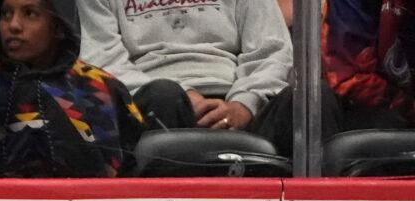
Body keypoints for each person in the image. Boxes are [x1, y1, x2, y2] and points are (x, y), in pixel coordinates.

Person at [77, 0, 336, 157]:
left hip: (240, 102)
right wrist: (184, 94)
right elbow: (101, 59)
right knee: (164, 95)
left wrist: (245, 104)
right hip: (151, 100)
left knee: (314, 98)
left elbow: (272, 50)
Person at [0, 0, 144, 177]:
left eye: (30, 14)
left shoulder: (102, 88)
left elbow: (131, 175)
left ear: (58, 25)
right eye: (6, 13)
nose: (13, 25)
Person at [323, 0, 415, 130]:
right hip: (364, 107)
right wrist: (408, 105)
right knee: (389, 124)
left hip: (399, 104)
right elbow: (346, 79)